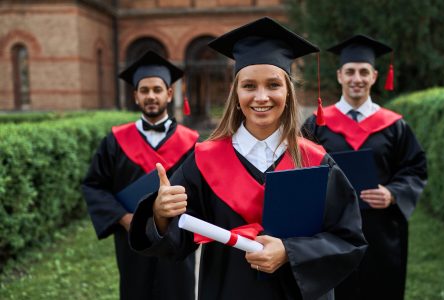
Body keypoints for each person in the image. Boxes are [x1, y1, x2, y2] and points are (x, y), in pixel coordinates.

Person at [128, 17, 367, 300]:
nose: (261, 96)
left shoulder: (316, 161)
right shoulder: (205, 160)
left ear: (288, 93)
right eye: (249, 86)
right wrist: (160, 213)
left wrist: (290, 252)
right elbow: (176, 240)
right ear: (236, 93)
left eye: (273, 85)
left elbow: (348, 238)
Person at [301, 35, 428, 300]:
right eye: (350, 71)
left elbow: (414, 168)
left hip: (381, 228)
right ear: (339, 76)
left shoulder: (394, 125)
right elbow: (299, 170)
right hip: (330, 228)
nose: (356, 78)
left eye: (363, 72)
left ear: (374, 76)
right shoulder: (316, 125)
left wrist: (393, 193)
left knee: (381, 288)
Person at [82, 50, 198, 300]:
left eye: (157, 89)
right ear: (135, 96)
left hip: (176, 240)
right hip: (131, 242)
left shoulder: (192, 143)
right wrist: (124, 218)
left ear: (169, 93)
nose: (151, 96)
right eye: (144, 90)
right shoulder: (115, 141)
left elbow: (202, 194)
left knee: (177, 290)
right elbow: (94, 185)